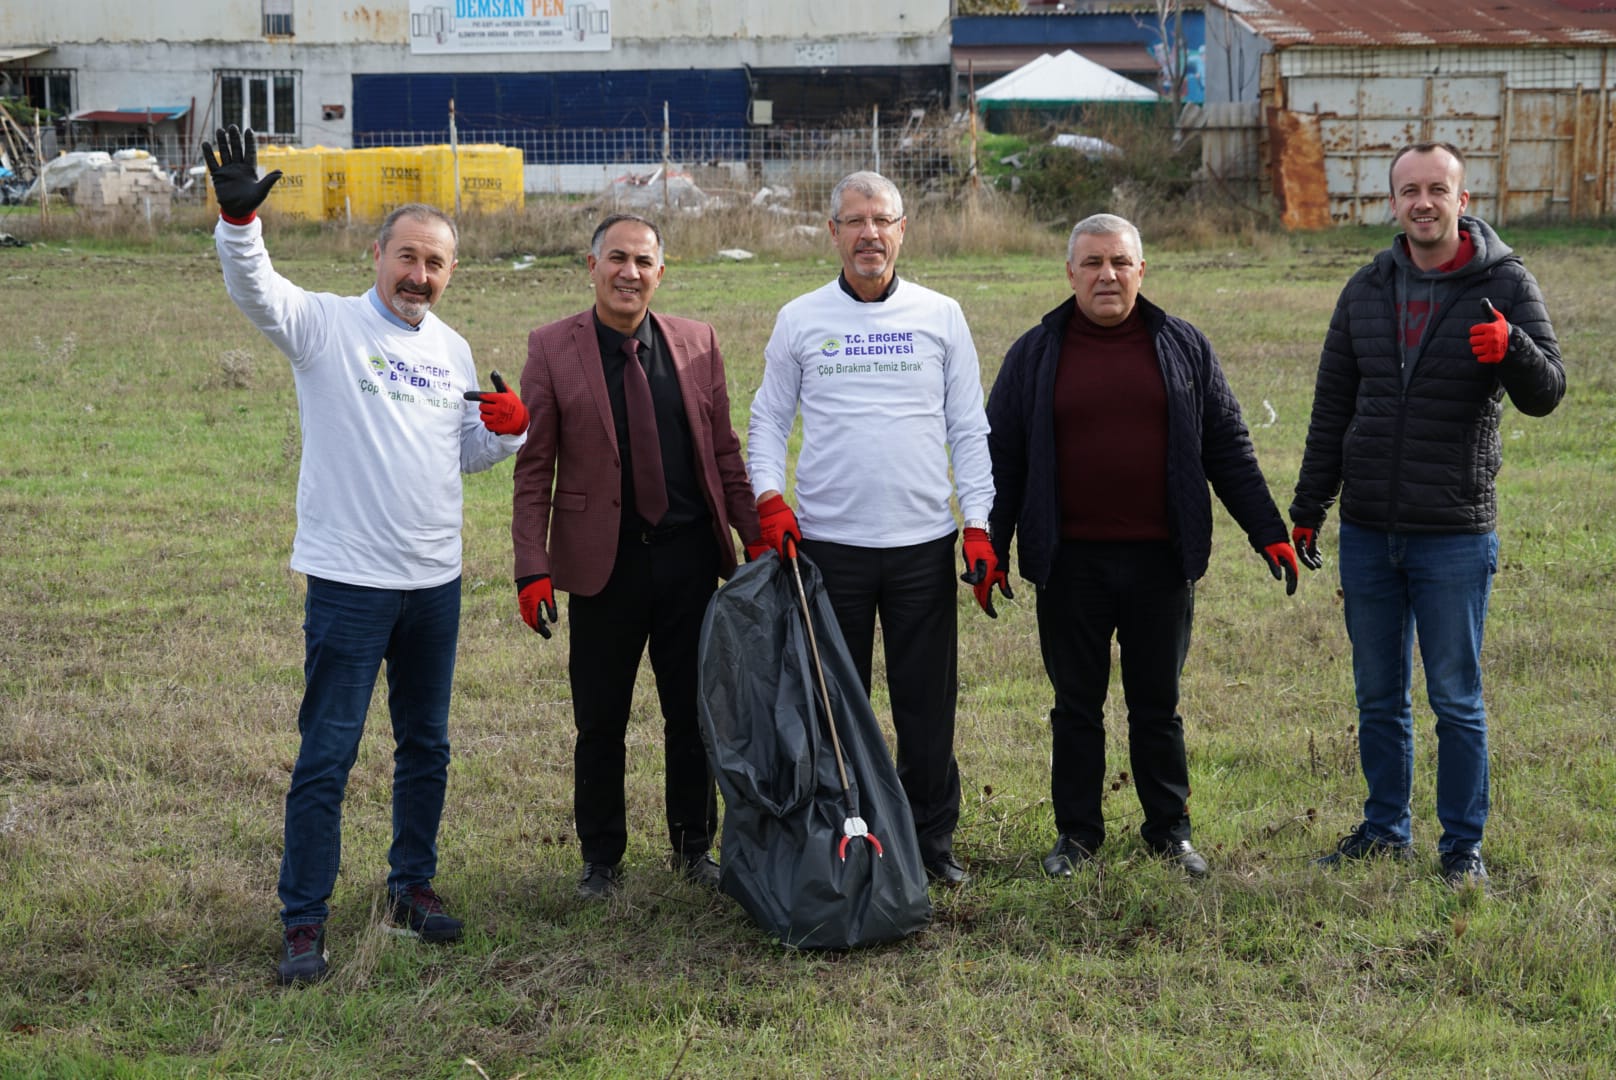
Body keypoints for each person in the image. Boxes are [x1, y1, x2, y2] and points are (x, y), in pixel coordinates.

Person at [202, 125, 530, 985]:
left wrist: (511, 434)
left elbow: (464, 450)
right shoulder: (325, 325)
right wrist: (241, 222)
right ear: (376, 252)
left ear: (451, 273)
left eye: (437, 264)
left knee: (426, 743)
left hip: (435, 582)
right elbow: (257, 290)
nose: (420, 275)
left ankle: (409, 889)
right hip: (350, 581)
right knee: (329, 752)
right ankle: (304, 918)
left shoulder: (451, 349)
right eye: (408, 256)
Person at [985, 213, 1298, 881]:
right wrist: (990, 542)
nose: (1107, 275)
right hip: (1068, 565)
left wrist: (1266, 529)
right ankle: (1077, 836)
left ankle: (1169, 831)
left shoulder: (1184, 346)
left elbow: (1228, 448)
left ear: (1142, 271)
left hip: (1161, 561)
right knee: (1076, 706)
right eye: (1092, 263)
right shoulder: (1034, 353)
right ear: (1069, 273)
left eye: (1120, 263)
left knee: (1158, 705)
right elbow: (1002, 459)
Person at [1292, 142, 1565, 888]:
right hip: (1371, 528)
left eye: (1437, 190)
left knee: (1455, 698)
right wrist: (1309, 507)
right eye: (1409, 190)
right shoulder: (1366, 288)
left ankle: (1462, 847)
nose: (1423, 202)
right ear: (1392, 204)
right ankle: (1385, 830)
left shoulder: (1504, 283)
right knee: (1379, 696)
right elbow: (1332, 408)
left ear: (1463, 200)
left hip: (1454, 531)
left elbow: (1550, 391)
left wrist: (1512, 349)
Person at [746, 171, 997, 887]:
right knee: (833, 711)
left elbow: (967, 429)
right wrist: (771, 498)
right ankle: (839, 836)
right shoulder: (800, 317)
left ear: (903, 229)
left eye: (881, 220)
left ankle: (930, 843)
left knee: (927, 709)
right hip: (827, 548)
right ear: (832, 233)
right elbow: (768, 419)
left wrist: (976, 526)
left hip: (922, 545)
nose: (868, 235)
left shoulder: (941, 314)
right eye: (853, 222)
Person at [510, 213, 761, 900]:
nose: (630, 272)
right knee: (600, 720)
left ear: (661, 269)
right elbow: (534, 471)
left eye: (643, 261)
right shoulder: (552, 348)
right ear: (590, 266)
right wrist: (532, 567)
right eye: (616, 258)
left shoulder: (697, 343)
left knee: (693, 715)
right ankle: (601, 859)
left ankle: (692, 848)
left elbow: (724, 452)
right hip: (604, 568)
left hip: (689, 562)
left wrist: (757, 533)